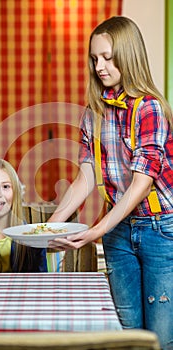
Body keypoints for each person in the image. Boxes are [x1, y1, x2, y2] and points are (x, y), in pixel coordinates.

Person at [48, 16, 173, 350]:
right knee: (126, 332)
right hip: (120, 231)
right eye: (94, 59)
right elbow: (87, 174)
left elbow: (141, 183)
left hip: (160, 229)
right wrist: (52, 225)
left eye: (106, 57)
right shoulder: (93, 112)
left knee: (160, 336)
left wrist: (97, 229)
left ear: (128, 55)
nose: (99, 66)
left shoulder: (150, 108)